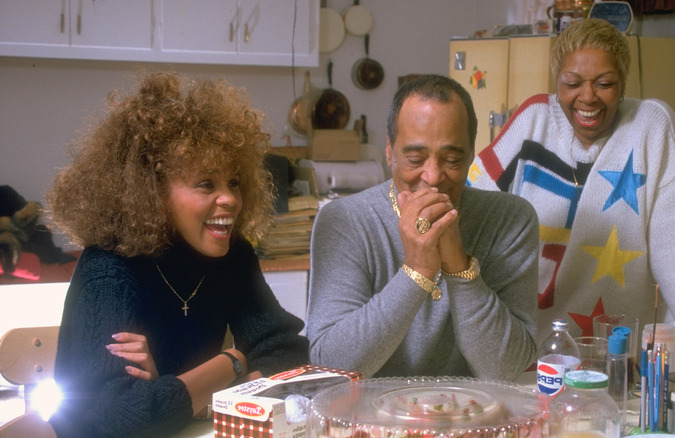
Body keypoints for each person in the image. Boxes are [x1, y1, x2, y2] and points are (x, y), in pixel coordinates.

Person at [45, 72, 309, 437]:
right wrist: (232, 363)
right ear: (153, 192)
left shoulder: (233, 256)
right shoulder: (109, 270)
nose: (230, 198)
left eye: (233, 181)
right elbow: (120, 420)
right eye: (206, 184)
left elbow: (287, 350)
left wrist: (174, 391)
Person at [468, 18, 675, 377]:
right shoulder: (533, 121)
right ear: (556, 83)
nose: (587, 97)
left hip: (614, 359)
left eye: (604, 84)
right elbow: (469, 208)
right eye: (572, 83)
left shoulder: (651, 126)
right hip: (523, 352)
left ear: (623, 85)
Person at [305, 74, 539, 380]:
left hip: (475, 418)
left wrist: (459, 266)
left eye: (452, 159)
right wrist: (417, 271)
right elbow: (332, 367)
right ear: (389, 152)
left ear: (471, 154)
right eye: (415, 159)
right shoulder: (345, 221)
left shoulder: (511, 219)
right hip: (370, 420)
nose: (432, 176)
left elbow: (506, 369)